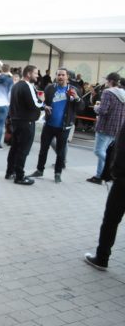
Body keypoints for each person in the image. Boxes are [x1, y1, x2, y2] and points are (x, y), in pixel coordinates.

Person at [28, 68, 84, 183]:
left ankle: (58, 173)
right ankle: (39, 170)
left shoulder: (74, 90)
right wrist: (44, 106)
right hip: (49, 125)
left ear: (67, 77)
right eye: (59, 75)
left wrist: (77, 98)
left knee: (60, 152)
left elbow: (81, 108)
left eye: (63, 75)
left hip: (64, 126)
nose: (61, 77)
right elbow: (43, 102)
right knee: (43, 149)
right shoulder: (50, 88)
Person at [84, 122, 125, 270]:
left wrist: (115, 173)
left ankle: (102, 257)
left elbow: (121, 149)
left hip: (122, 181)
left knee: (111, 219)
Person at [5, 65, 43, 185]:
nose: (37, 76)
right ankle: (19, 176)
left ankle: (10, 172)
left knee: (15, 148)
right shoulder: (27, 86)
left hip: (16, 121)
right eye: (35, 73)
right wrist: (42, 103)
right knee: (23, 150)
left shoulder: (16, 86)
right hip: (26, 122)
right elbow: (34, 104)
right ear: (28, 74)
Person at [86, 72, 125, 184]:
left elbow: (103, 110)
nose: (106, 83)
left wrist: (96, 107)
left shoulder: (107, 92)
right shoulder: (123, 93)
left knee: (99, 151)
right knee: (106, 151)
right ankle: (99, 176)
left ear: (111, 81)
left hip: (105, 126)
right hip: (118, 127)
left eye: (107, 80)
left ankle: (113, 166)